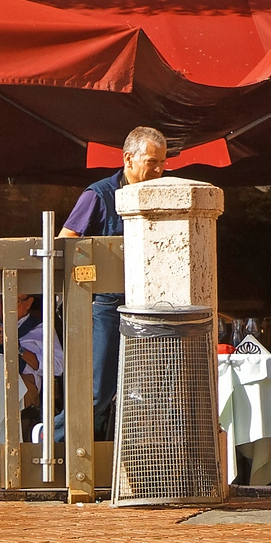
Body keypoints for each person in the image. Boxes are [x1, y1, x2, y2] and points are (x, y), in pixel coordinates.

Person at [55, 125, 167, 441]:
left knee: (140, 392)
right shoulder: (98, 195)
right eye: (152, 161)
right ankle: (51, 439)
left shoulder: (157, 196)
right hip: (101, 305)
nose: (158, 170)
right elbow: (65, 243)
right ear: (128, 159)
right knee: (97, 391)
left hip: (145, 305)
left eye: (162, 162)